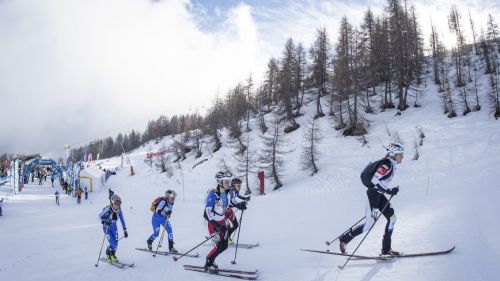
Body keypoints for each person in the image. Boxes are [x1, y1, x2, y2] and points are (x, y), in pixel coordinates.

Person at [338, 143, 404, 256]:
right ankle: (344, 239)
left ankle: (386, 250)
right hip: (373, 196)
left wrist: (391, 189)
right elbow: (375, 180)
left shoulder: (391, 164)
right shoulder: (387, 165)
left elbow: (381, 183)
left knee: (392, 218)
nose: (402, 156)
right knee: (369, 224)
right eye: (400, 154)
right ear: (394, 154)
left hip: (379, 196)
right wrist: (389, 191)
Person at [203, 171, 232, 272]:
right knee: (219, 246)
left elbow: (227, 207)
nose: (229, 184)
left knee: (225, 246)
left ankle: (212, 260)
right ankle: (208, 262)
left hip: (222, 222)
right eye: (226, 182)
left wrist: (239, 205)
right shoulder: (213, 195)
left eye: (229, 182)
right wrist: (216, 225)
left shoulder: (227, 194)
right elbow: (206, 213)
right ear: (220, 182)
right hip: (212, 223)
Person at [99, 194, 128, 262]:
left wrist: (125, 230)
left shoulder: (119, 210)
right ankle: (108, 253)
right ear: (112, 203)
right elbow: (99, 217)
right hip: (107, 228)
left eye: (119, 203)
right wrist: (105, 222)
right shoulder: (108, 209)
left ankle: (112, 254)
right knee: (113, 243)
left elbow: (122, 220)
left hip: (114, 227)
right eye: (116, 203)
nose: (117, 205)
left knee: (116, 243)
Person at [226, 178, 249, 244]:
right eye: (238, 186)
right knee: (225, 227)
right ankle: (224, 239)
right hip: (224, 212)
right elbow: (229, 202)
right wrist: (238, 205)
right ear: (233, 186)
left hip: (229, 210)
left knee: (235, 225)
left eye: (240, 185)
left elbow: (237, 195)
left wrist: (244, 199)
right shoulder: (229, 192)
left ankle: (227, 237)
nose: (240, 187)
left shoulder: (235, 191)